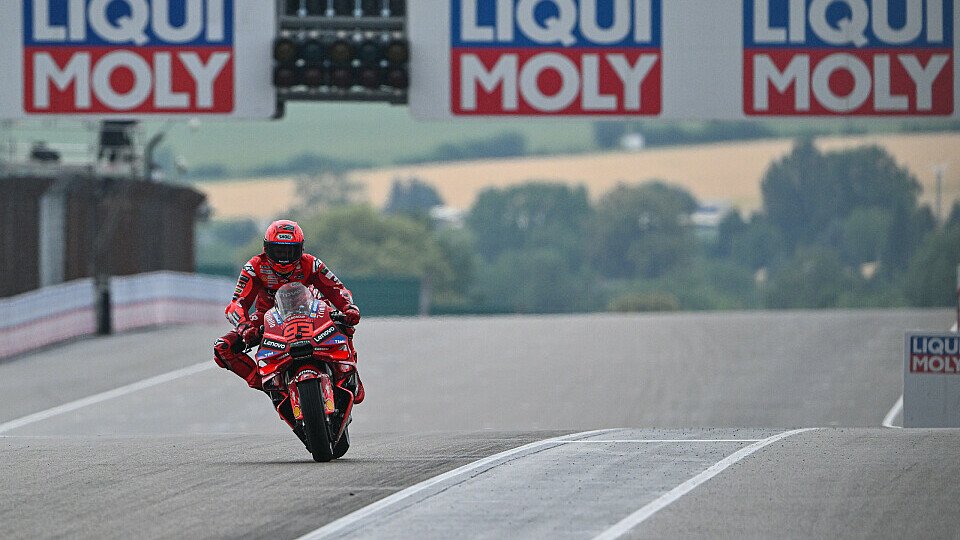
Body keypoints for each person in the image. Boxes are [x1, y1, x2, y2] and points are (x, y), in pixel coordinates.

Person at [213, 220, 363, 441]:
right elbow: (236, 304)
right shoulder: (254, 267)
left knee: (344, 321)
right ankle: (270, 384)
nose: (284, 257)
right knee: (223, 348)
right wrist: (244, 326)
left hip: (311, 312)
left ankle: (348, 371)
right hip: (269, 318)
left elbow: (337, 289)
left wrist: (348, 308)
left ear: (300, 250)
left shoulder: (311, 264)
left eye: (290, 251)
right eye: (278, 250)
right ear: (266, 249)